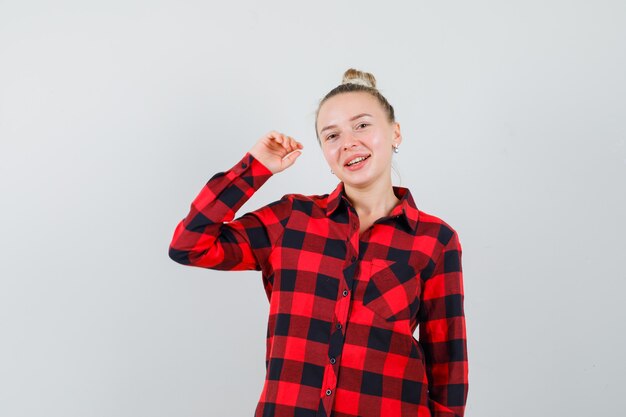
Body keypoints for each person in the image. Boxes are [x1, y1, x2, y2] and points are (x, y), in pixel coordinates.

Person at [168, 69, 468, 417]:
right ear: (325, 153)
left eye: (362, 125)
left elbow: (448, 367)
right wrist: (254, 169)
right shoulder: (291, 219)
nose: (348, 142)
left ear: (395, 132)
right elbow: (189, 245)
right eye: (332, 135)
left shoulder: (436, 240)